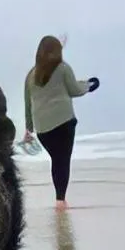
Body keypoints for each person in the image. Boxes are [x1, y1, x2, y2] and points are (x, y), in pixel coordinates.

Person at [23, 35, 99, 211]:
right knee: (62, 160)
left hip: (43, 129)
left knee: (56, 160)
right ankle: (60, 201)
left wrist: (29, 128)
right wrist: (89, 85)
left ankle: (59, 199)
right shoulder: (63, 69)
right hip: (63, 122)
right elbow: (74, 90)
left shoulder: (31, 75)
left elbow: (27, 103)